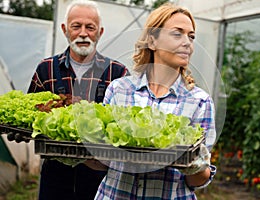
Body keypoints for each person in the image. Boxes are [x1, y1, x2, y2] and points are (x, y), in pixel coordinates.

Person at [94, 3, 217, 199]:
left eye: (191, 36)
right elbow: (102, 162)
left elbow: (198, 180)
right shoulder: (119, 90)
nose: (187, 43)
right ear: (152, 41)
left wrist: (194, 165)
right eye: (177, 34)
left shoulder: (200, 102)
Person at [27, 0, 129, 199]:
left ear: (100, 32)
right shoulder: (46, 69)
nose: (83, 33)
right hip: (55, 172)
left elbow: (125, 124)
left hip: (100, 174)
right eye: (76, 26)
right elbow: (30, 116)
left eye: (90, 27)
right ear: (65, 30)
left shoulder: (118, 73)